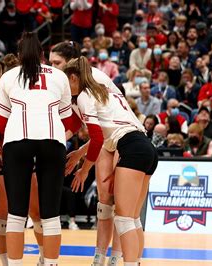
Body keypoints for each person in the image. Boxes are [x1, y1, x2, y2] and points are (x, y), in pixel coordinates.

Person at [64, 56, 158, 266]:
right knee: (133, 219)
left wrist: (84, 170)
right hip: (147, 148)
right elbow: (108, 133)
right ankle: (134, 262)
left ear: (73, 78)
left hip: (131, 149)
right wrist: (80, 151)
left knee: (124, 220)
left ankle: (127, 262)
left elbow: (97, 137)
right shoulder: (107, 93)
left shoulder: (83, 96)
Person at [0, 32, 73, 266]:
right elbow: (67, 119)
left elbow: (0, 122)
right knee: (50, 215)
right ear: (42, 54)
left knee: (16, 214)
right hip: (52, 140)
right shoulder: (60, 76)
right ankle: (50, 263)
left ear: (19, 55)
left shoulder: (8, 76)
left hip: (17, 141)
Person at [48, 41, 123, 265]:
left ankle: (117, 257)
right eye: (50, 63)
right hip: (105, 139)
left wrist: (82, 161)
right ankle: (99, 256)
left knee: (121, 203)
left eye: (56, 63)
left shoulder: (92, 79)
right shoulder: (67, 86)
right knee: (104, 202)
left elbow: (101, 128)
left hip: (123, 136)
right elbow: (72, 125)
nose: (52, 68)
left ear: (70, 63)